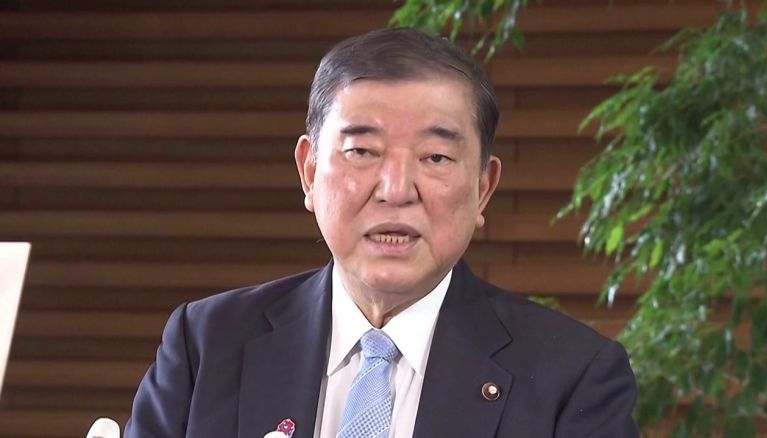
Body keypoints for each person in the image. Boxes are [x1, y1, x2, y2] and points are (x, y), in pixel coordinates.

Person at [125, 27, 639, 438]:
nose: (395, 190)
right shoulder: (207, 344)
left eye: (435, 157)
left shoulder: (573, 376)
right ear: (309, 172)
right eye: (362, 152)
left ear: (483, 188)